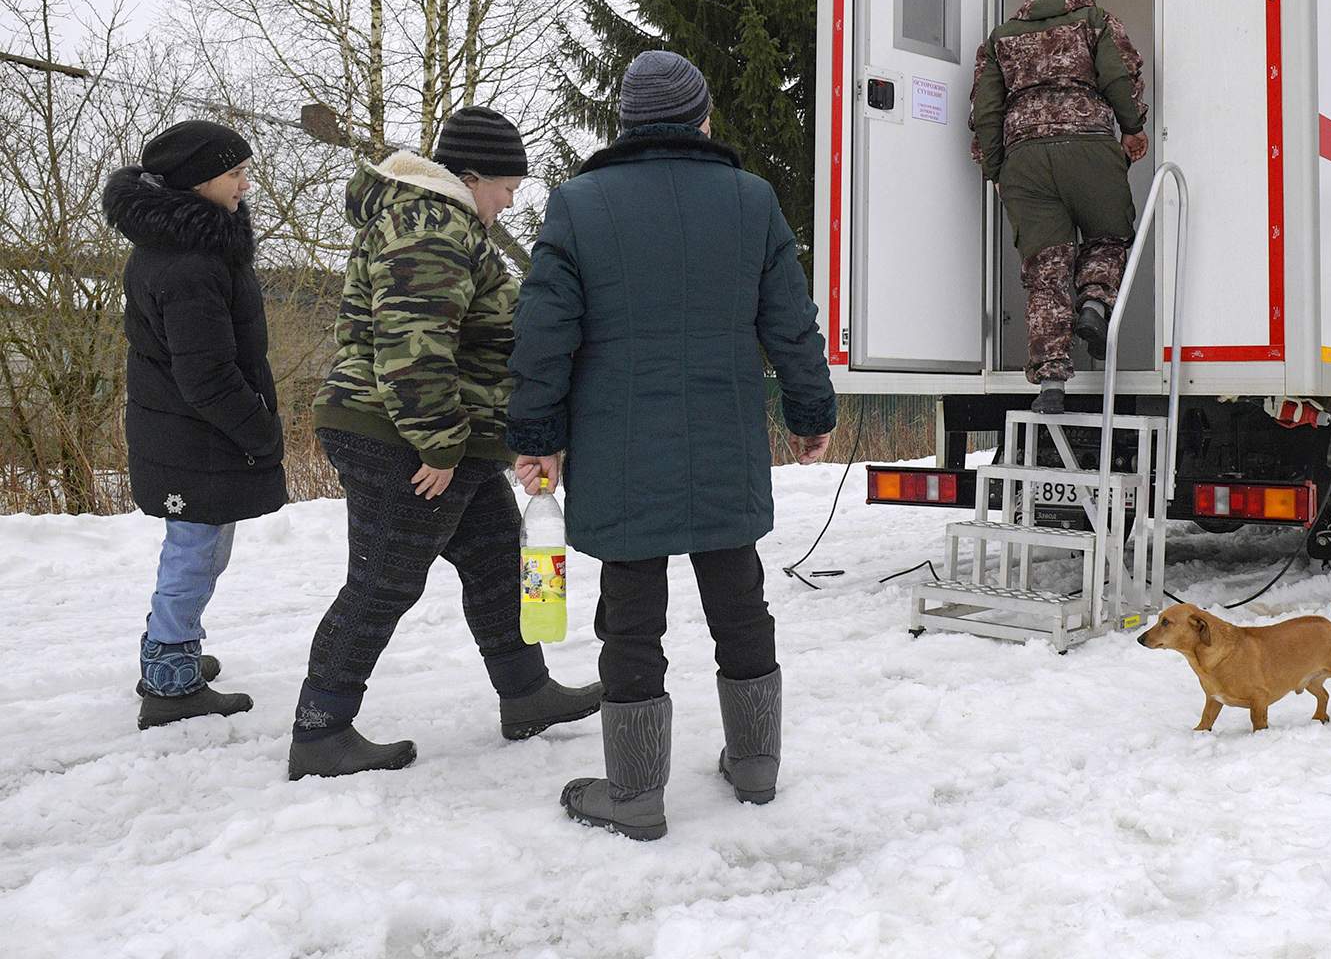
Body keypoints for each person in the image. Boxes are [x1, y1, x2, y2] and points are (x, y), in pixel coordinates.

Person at [507, 51, 836, 840]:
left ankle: (635, 795)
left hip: (618, 444)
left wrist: (537, 437)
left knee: (629, 616)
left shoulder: (579, 204)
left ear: (625, 123)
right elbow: (788, 322)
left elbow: (544, 333)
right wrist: (809, 410)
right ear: (702, 118)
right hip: (723, 435)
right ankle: (756, 768)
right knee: (739, 598)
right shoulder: (751, 200)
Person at [289, 106, 601, 780]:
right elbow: (413, 345)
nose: (509, 203)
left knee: (495, 558)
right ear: (469, 177)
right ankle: (321, 730)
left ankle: (527, 694)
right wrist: (438, 444)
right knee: (383, 581)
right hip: (402, 432)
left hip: (435, 433)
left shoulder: (439, 222)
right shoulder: (431, 223)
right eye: (505, 189)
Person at [107, 120, 286, 729]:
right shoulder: (189, 265)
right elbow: (207, 376)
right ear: (198, 182)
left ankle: (173, 651)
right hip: (197, 438)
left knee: (200, 551)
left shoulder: (192, 249)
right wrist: (261, 429)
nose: (244, 184)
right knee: (194, 554)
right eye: (233, 173)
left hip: (189, 436)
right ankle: (169, 683)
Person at [969, 0, 1150, 414]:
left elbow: (986, 111)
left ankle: (1051, 380)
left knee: (1045, 270)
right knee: (1109, 236)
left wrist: (996, 170)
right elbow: (1119, 77)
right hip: (1089, 145)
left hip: (1024, 159)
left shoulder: (1001, 36)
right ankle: (1093, 303)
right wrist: (1132, 128)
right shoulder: (1095, 19)